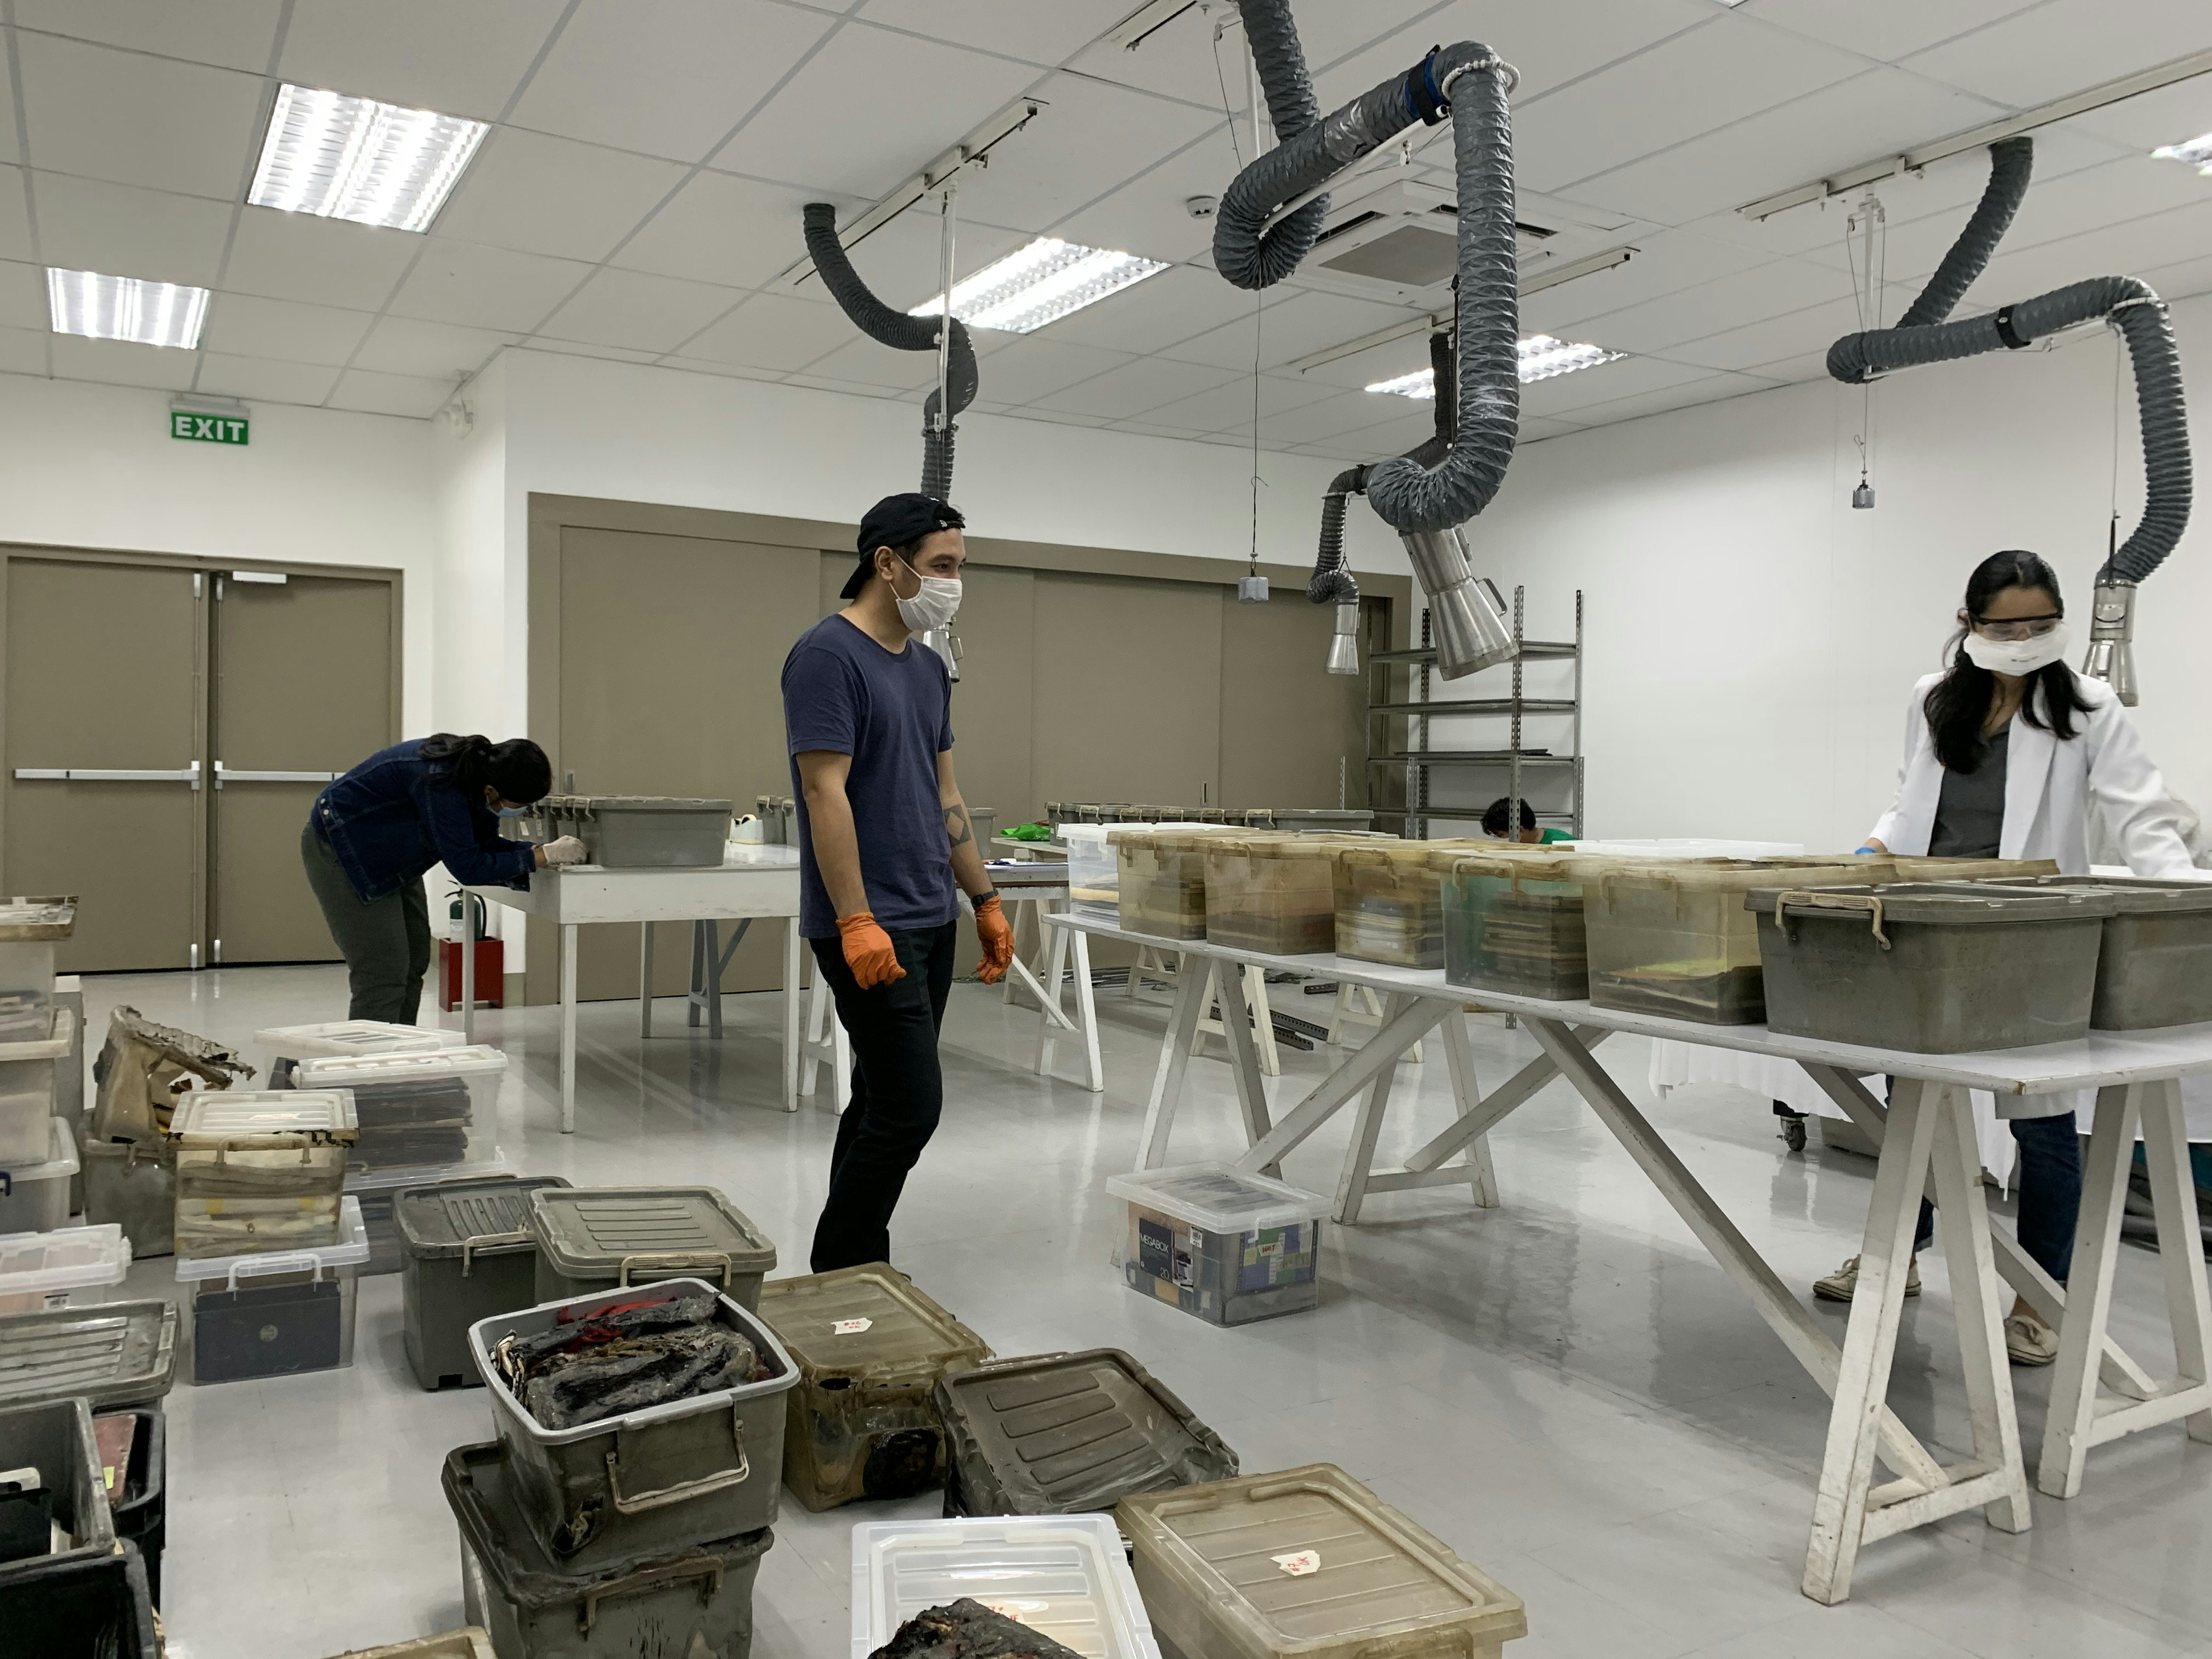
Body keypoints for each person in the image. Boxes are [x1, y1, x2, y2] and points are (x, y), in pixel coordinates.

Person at [1813, 549, 2193, 1364]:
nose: (2023, 639)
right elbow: (1908, 794)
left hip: (2029, 937)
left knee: (2044, 1128)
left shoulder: (2087, 706)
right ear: (1969, 624)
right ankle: (1897, 1257)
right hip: (1928, 924)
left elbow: (2144, 817)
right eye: (2005, 625)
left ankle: (2039, 1300)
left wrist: (2186, 903)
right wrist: (1873, 846)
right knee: (1907, 1104)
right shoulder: (1932, 699)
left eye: (2039, 625)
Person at [784, 493, 1016, 1273]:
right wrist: (855, 920)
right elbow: (826, 793)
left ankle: (852, 1267)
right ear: (888, 564)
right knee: (913, 1108)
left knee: (884, 1099)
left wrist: (983, 899)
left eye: (959, 567)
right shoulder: (826, 656)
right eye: (942, 566)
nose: (954, 583)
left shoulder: (927, 667)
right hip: (868, 921)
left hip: (929, 912)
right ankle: (843, 1271)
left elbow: (946, 793)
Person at [303, 735, 585, 1023]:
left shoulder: (477, 778)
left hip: (389, 851)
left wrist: (540, 851)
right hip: (341, 847)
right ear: (492, 790)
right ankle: (370, 1063)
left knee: (414, 960)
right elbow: (469, 867)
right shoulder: (442, 784)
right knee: (383, 972)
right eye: (518, 803)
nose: (518, 811)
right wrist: (541, 857)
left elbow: (484, 845)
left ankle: (400, 1052)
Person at [1482, 796, 1574, 844]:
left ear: (1520, 830)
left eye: (1502, 835)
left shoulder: (1565, 843)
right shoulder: (1523, 845)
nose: (1502, 840)